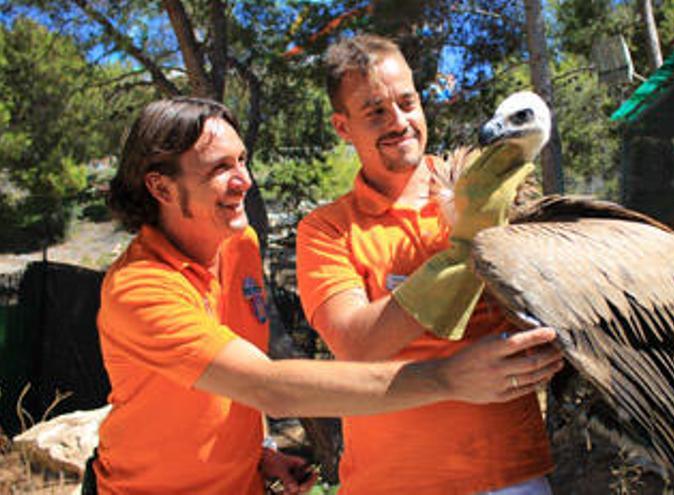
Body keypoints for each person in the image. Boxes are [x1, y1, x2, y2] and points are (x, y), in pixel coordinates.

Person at [91, 97, 563, 494]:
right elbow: (266, 385)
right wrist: (447, 379)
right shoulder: (140, 290)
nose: (244, 181)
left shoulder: (237, 245)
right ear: (160, 187)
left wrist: (257, 452)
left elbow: (218, 378)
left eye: (241, 161)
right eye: (220, 169)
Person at [296, 34, 556, 494]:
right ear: (342, 127)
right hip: (392, 482)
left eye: (407, 102)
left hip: (509, 474)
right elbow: (357, 344)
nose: (399, 121)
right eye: (375, 111)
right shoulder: (326, 229)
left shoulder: (492, 191)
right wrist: (463, 254)